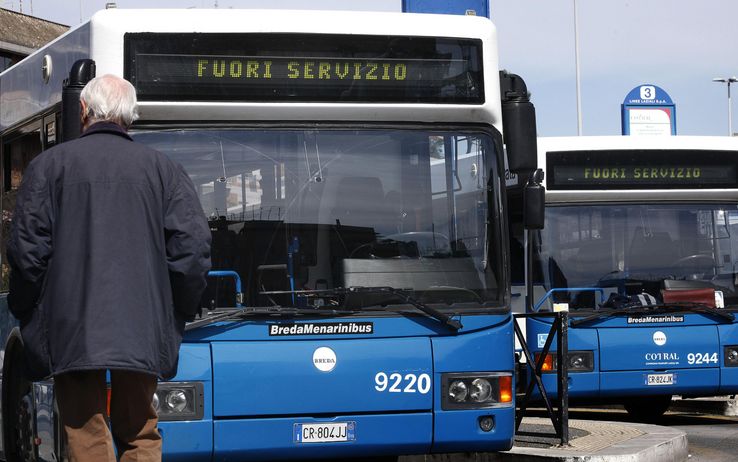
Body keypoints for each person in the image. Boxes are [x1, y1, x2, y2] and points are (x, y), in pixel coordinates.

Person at [6, 74, 211, 462]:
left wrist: (27, 310)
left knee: (86, 433)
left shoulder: (48, 167)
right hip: (143, 326)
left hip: (72, 326)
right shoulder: (164, 170)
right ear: (130, 117)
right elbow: (193, 250)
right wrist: (178, 311)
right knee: (140, 433)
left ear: (83, 111)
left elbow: (27, 253)